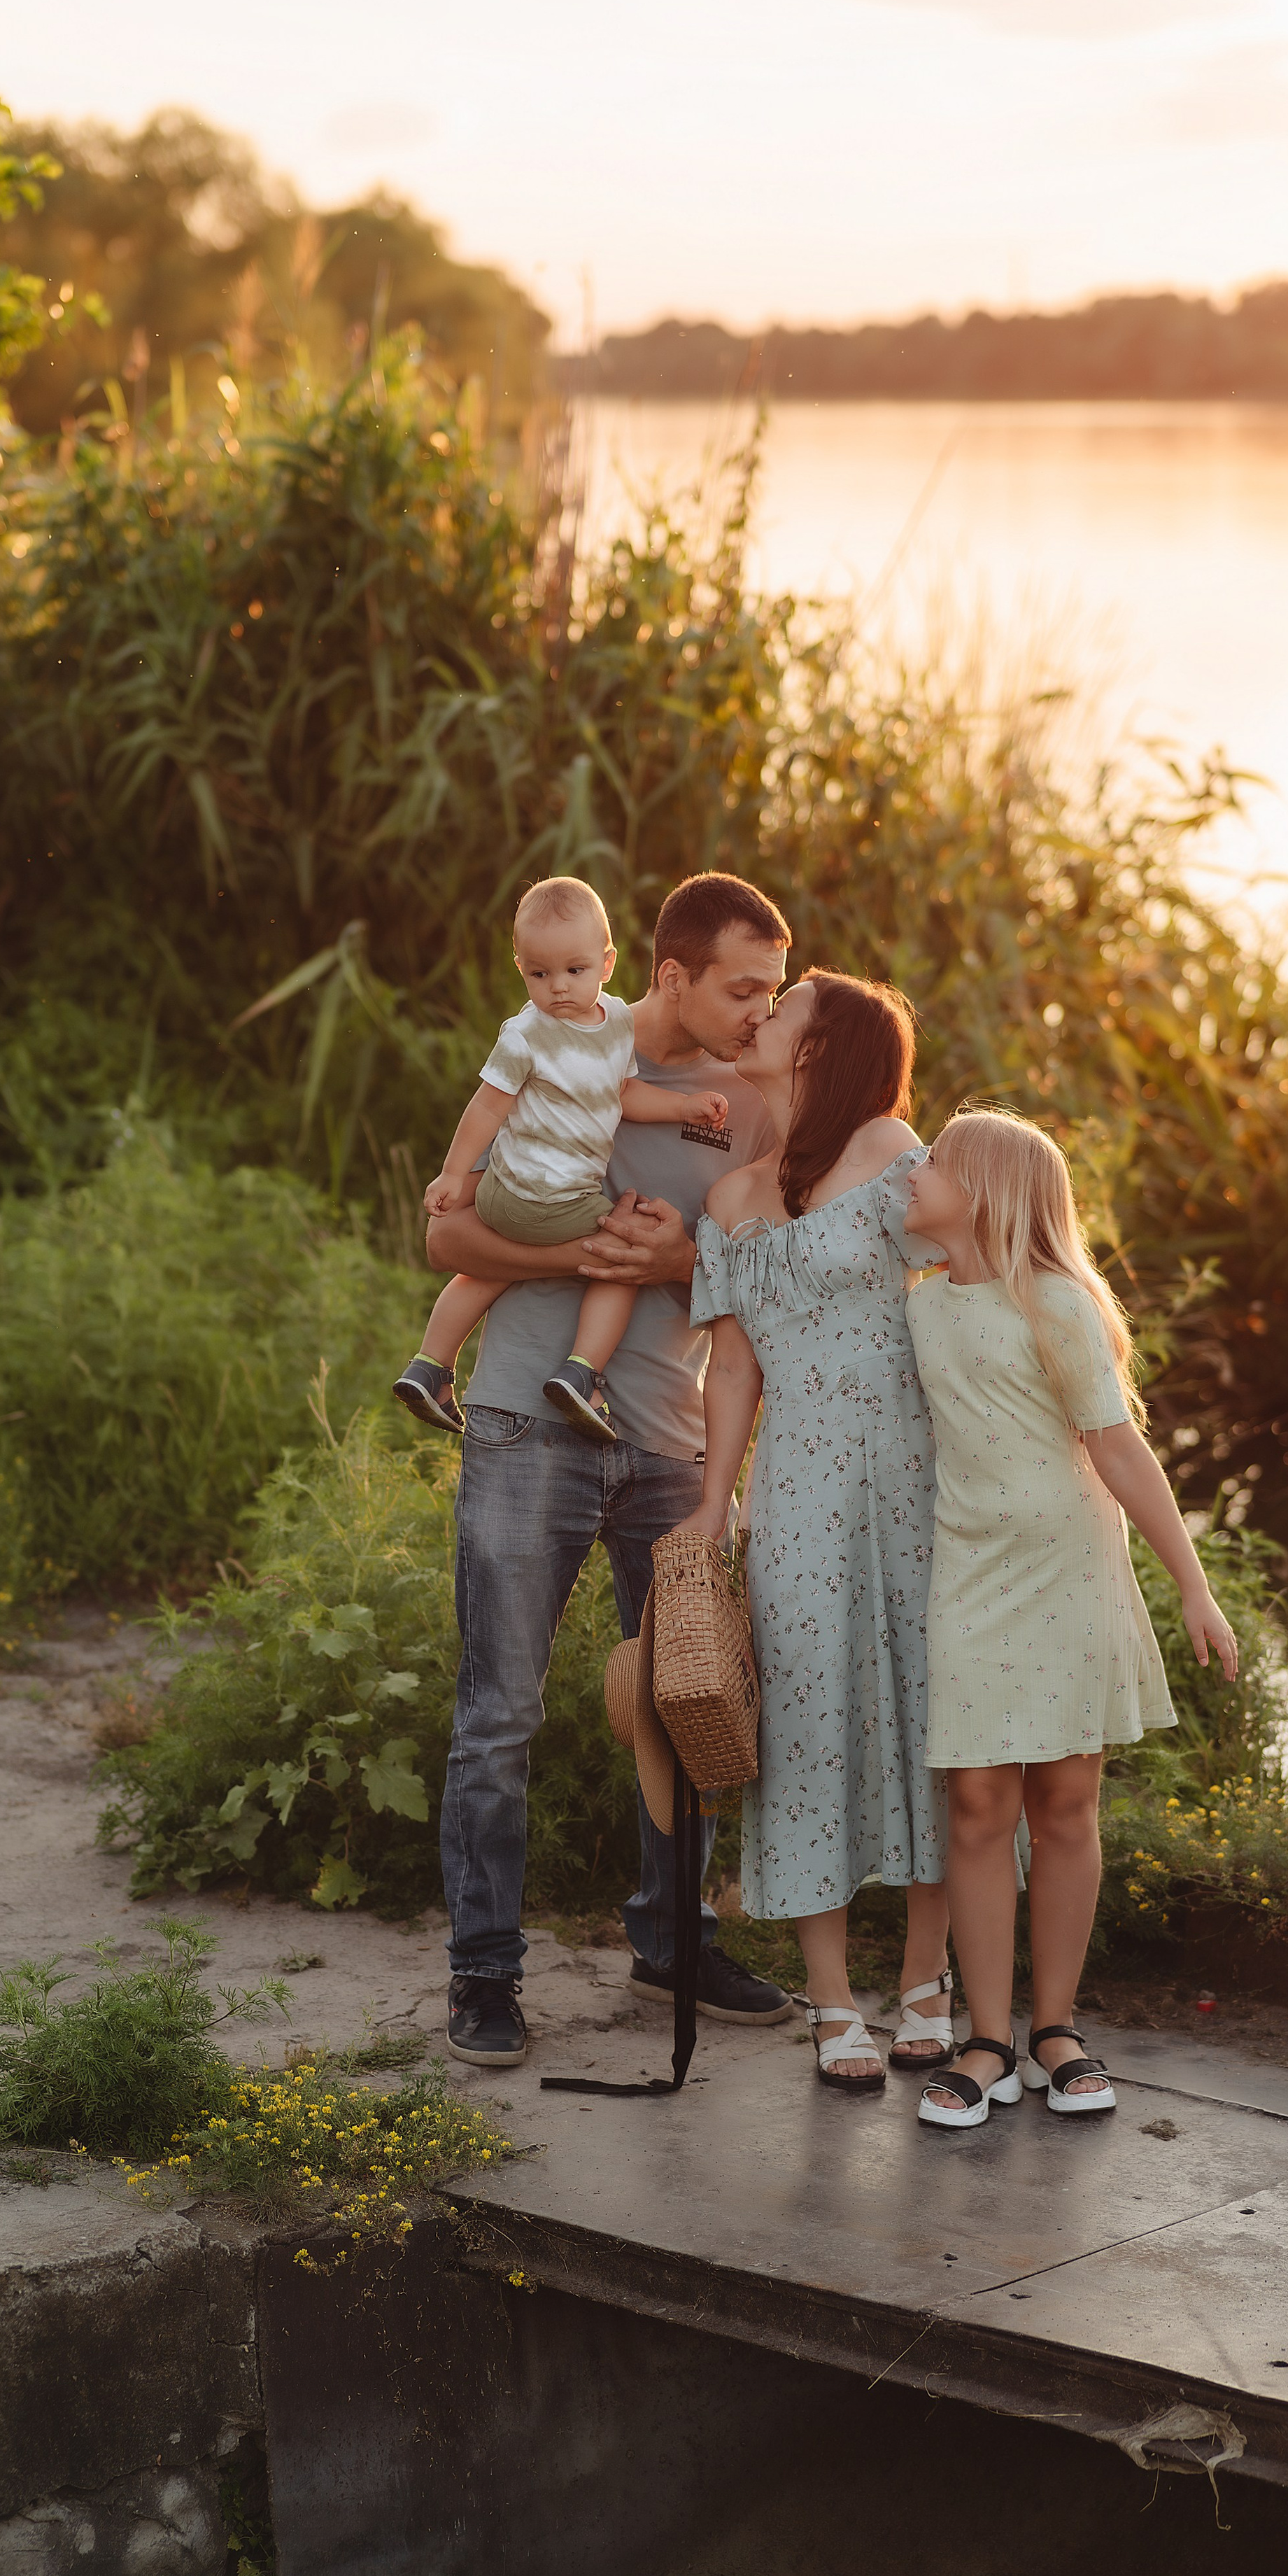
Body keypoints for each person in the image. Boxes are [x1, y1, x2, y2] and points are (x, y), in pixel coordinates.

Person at [429, 873, 800, 2067]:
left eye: (776, 990)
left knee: (687, 1699)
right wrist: (597, 1249)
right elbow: (446, 1232)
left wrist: (680, 1259)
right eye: (743, 987)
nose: (761, 1010)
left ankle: (672, 1944)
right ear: (675, 976)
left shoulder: (747, 1107)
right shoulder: (561, 1040)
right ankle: (484, 1971)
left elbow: (768, 1299)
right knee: (499, 1713)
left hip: (670, 1445)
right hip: (526, 1427)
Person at [900, 1107, 1240, 2130]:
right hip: (971, 1574)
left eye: (938, 1162)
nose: (916, 1170)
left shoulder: (1056, 1303)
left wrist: (1192, 1582)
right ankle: (986, 2038)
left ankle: (1055, 2029)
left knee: (1063, 1801)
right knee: (973, 1805)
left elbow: (1121, 1448)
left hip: (1068, 1574)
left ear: (989, 1192)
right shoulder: (920, 1306)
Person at [674, 971, 955, 2094]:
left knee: (933, 1711)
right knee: (805, 1721)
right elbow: (732, 1367)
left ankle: (931, 1980)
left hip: (919, 1476)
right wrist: (712, 1503)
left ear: (819, 1047)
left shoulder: (892, 1148)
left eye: (781, 1007)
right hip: (795, 1492)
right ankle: (835, 2003)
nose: (761, 1014)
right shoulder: (732, 1199)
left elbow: (970, 1270)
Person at [392, 877, 730, 1445]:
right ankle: (582, 1373)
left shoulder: (615, 1023)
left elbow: (625, 1097)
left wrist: (684, 1107)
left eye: (573, 972)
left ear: (606, 963)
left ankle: (430, 1365)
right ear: (520, 967)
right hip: (546, 1197)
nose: (558, 989)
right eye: (539, 975)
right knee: (624, 1257)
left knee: (485, 1272)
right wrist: (452, 1174)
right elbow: (485, 1108)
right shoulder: (526, 1034)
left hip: (505, 1193)